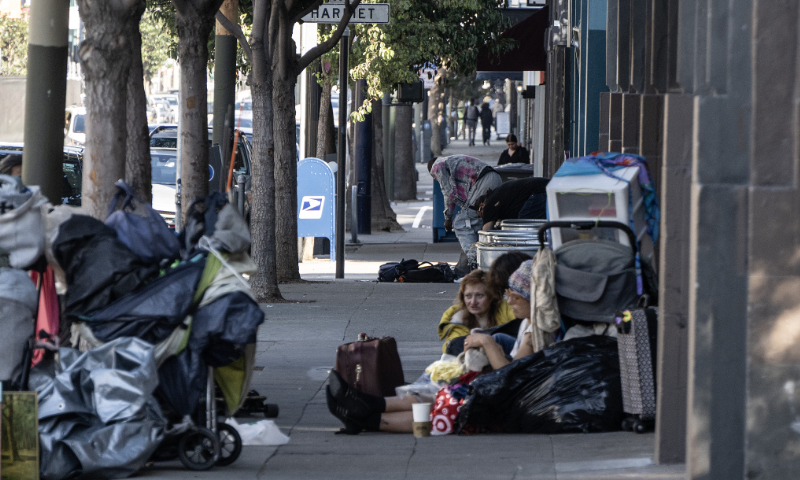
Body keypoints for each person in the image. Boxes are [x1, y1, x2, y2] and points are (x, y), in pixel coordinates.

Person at [326, 261, 536, 434]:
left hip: (508, 407)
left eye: (515, 297)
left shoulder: (533, 329)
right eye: (508, 295)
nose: (509, 302)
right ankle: (362, 409)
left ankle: (362, 410)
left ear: (530, 299)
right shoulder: (525, 322)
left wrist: (488, 343)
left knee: (444, 402)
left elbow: (511, 378)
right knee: (440, 395)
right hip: (496, 394)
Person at [438, 252, 530, 351]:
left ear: (492, 297)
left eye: (479, 296)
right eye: (468, 296)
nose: (473, 302)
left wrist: (486, 342)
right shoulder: (457, 318)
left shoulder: (508, 311)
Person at [428, 155, 502, 266]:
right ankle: (485, 259)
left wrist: (448, 218)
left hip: (483, 181)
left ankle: (474, 260)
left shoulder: (437, 167)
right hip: (495, 178)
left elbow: (448, 193)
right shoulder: (449, 162)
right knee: (478, 221)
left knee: (462, 222)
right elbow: (453, 194)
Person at [472, 177, 549, 231]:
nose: (483, 217)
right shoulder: (497, 197)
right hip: (544, 188)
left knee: (523, 224)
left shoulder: (489, 204)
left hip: (538, 193)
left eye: (481, 214)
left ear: (481, 205)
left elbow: (486, 231)